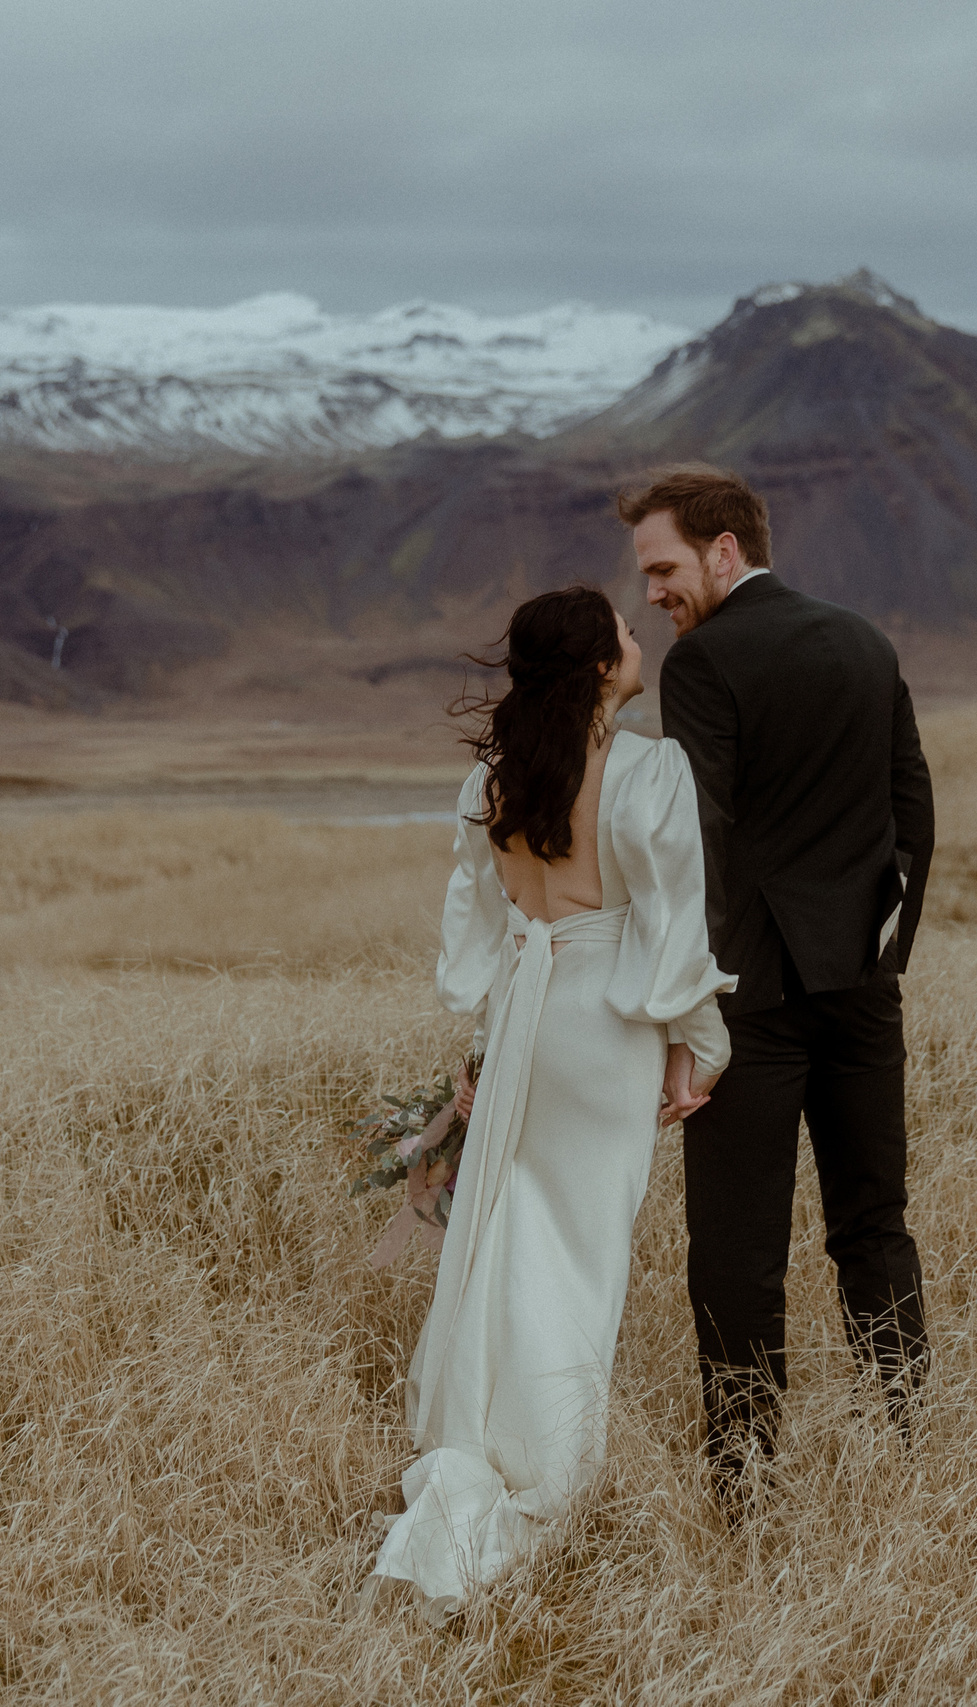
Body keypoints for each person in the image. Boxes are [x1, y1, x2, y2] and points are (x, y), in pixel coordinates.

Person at [368, 585, 735, 1617]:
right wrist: (701, 1048)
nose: (636, 637)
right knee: (583, 1249)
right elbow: (672, 927)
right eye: (623, 629)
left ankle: (481, 1440)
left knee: (515, 1229)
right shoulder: (643, 768)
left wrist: (485, 1046)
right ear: (596, 666)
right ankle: (548, 1462)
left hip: (529, 1016)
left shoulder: (494, 777)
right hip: (606, 1029)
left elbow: (484, 926)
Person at [621, 463, 936, 1506]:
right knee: (873, 1226)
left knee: (740, 1253)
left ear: (724, 550)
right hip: (861, 991)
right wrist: (880, 957)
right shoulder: (865, 640)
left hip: (748, 1004)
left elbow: (692, 842)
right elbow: (912, 815)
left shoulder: (703, 664)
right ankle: (909, 1438)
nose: (651, 594)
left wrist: (685, 1012)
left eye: (663, 569)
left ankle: (744, 1481)